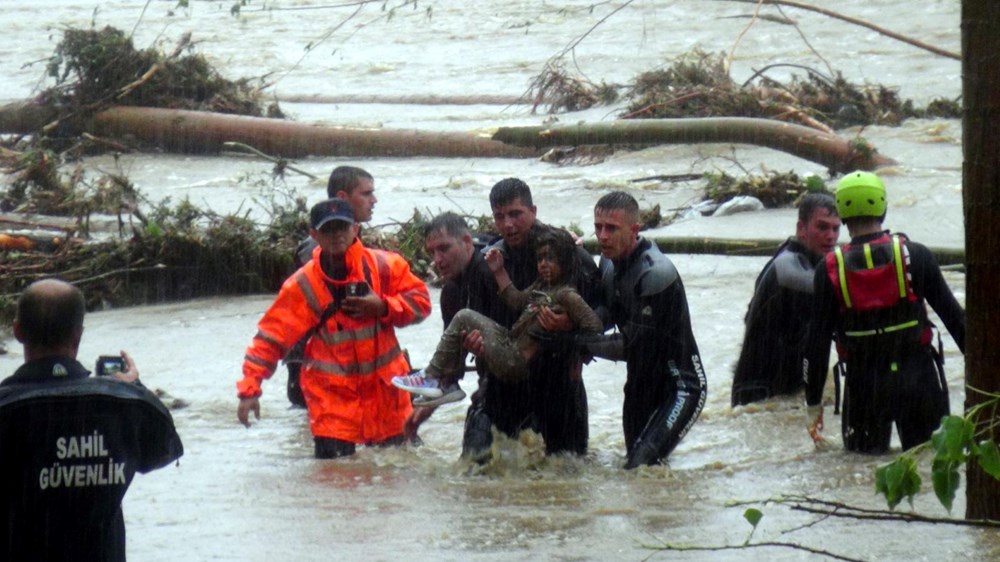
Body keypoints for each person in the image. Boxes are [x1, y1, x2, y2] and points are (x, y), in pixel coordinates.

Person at [0, 278, 183, 561]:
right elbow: (163, 450)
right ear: (78, 335)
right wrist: (133, 389)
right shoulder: (124, 406)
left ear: (18, 331)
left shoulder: (7, 410)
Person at [237, 198, 431, 459]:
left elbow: (421, 303)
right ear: (314, 235)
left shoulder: (385, 266)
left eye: (342, 227)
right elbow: (270, 339)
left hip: (386, 399)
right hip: (332, 405)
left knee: (393, 488)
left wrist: (383, 307)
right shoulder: (303, 285)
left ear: (355, 229)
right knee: (335, 488)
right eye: (328, 229)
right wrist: (250, 389)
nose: (337, 235)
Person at [802, 171, 965, 453]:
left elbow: (815, 346)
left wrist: (813, 404)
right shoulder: (916, 255)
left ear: (841, 213)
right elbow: (957, 321)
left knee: (862, 476)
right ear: (884, 209)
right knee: (929, 464)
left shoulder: (828, 269)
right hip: (919, 383)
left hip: (865, 389)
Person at [554, 191, 707, 469]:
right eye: (598, 227)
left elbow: (630, 346)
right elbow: (606, 313)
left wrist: (577, 342)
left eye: (611, 228)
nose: (602, 236)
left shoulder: (655, 274)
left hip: (680, 388)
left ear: (635, 230)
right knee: (638, 474)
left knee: (640, 466)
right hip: (639, 384)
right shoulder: (609, 263)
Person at [392, 228, 602, 406]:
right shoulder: (541, 286)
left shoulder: (567, 294)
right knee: (465, 320)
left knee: (465, 316)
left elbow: (595, 327)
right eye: (540, 259)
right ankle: (445, 381)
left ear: (565, 261)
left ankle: (433, 377)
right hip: (510, 343)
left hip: (514, 360)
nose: (544, 264)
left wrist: (568, 328)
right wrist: (499, 271)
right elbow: (517, 300)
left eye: (551, 259)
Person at [731, 193, 841, 406]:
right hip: (759, 395)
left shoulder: (808, 262)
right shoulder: (787, 269)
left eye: (835, 229)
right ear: (801, 228)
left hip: (785, 390)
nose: (830, 237)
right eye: (822, 227)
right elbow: (832, 296)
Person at [285, 166, 378, 407]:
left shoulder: (351, 245)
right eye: (366, 194)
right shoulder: (316, 251)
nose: (373, 200)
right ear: (342, 198)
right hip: (314, 365)